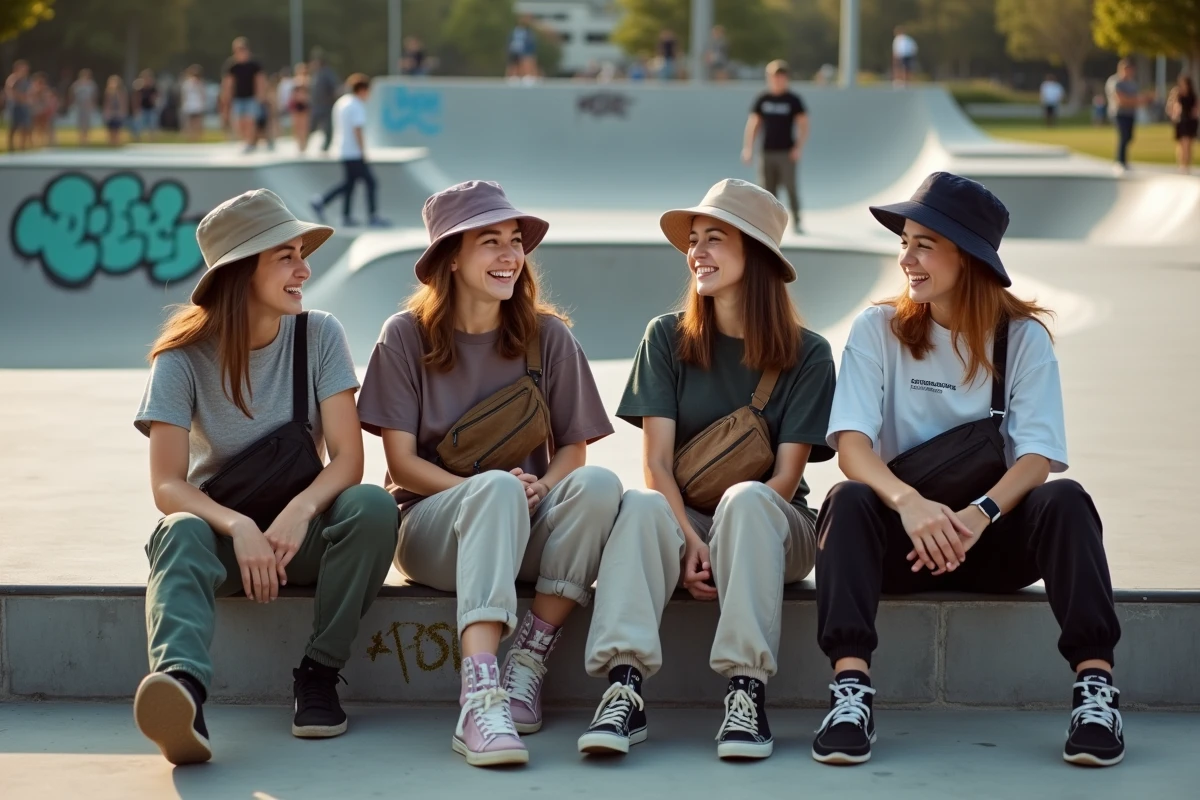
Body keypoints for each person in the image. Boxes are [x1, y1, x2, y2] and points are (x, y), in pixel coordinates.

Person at [812, 172, 1124, 768]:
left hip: (989, 540)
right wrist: (910, 505)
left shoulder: (1023, 339)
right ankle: (850, 691)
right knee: (847, 500)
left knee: (1067, 500)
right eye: (904, 241)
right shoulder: (877, 329)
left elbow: (1036, 456)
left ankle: (1095, 690)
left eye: (924, 244)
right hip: (899, 543)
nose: (907, 258)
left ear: (969, 256)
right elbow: (852, 445)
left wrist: (978, 516)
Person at [357, 180, 670, 767]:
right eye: (489, 242)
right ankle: (479, 695)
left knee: (601, 485)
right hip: (432, 531)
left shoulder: (547, 336)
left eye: (515, 241)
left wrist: (543, 487)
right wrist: (488, 490)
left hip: (523, 521)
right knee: (499, 487)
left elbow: (574, 451)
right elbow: (401, 464)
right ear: (450, 257)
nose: (509, 255)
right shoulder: (405, 336)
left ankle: (528, 656)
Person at [131, 188, 398, 766]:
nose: (305, 270)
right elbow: (168, 485)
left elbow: (350, 462)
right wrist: (240, 527)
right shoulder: (179, 360)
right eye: (286, 257)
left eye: (303, 253)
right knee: (178, 530)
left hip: (302, 540)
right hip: (223, 544)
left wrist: (298, 513)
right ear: (239, 272)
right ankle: (182, 692)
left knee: (373, 507)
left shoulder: (320, 333)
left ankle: (319, 675)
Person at [612, 179, 836, 760]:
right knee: (635, 505)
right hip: (682, 516)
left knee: (747, 498)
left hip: (774, 524)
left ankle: (746, 690)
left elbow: (786, 477)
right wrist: (689, 539)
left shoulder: (808, 353)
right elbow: (656, 465)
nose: (697, 252)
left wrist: (723, 544)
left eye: (715, 238)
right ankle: (623, 688)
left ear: (755, 256)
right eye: (693, 240)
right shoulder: (665, 336)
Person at [311, 75, 388, 228]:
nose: (368, 96)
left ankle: (345, 216)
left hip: (342, 150)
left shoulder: (342, 103)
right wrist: (363, 151)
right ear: (362, 90)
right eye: (368, 91)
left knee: (349, 184)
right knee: (371, 182)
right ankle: (372, 216)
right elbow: (357, 129)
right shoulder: (356, 105)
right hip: (354, 152)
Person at [743, 60, 809, 234]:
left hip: (786, 152)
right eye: (774, 76)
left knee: (790, 187)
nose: (777, 80)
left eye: (781, 76)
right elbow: (754, 123)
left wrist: (798, 147)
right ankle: (768, 224)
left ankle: (797, 221)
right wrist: (748, 147)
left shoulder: (793, 100)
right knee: (767, 191)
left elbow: (803, 125)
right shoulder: (763, 98)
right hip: (766, 151)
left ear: (786, 78)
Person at [222, 37, 267, 153]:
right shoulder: (232, 66)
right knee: (240, 122)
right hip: (238, 98)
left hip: (251, 97)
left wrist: (260, 96)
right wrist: (226, 98)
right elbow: (228, 83)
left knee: (250, 120)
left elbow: (260, 80)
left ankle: (250, 142)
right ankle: (245, 141)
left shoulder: (254, 65)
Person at [1106, 59, 1146, 171]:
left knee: (1129, 137)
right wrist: (1134, 101)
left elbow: (1137, 99)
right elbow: (1121, 100)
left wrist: (1134, 101)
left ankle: (1122, 160)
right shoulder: (1115, 82)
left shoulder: (1132, 83)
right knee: (1123, 136)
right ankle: (1120, 161)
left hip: (1130, 113)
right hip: (1119, 113)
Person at [309, 49, 340, 154]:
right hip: (317, 105)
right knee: (312, 126)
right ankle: (305, 144)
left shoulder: (327, 73)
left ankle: (326, 147)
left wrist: (332, 100)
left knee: (327, 128)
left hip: (326, 105)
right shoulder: (317, 74)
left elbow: (334, 88)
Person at [1167, 75, 1198, 174]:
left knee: (1188, 144)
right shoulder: (1177, 94)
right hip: (1181, 121)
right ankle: (1182, 164)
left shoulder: (1192, 95)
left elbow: (1196, 107)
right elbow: (1171, 107)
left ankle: (1187, 165)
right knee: (1182, 144)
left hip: (1190, 121)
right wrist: (1173, 115)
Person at [5, 60, 33, 151]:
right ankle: (11, 147)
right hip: (15, 106)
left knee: (25, 126)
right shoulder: (14, 78)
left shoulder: (26, 80)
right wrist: (20, 97)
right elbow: (10, 90)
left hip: (23, 106)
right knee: (13, 126)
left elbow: (29, 92)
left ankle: (22, 147)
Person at [70, 69, 99, 145]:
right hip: (79, 107)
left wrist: (92, 105)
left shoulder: (91, 85)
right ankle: (80, 139)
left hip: (88, 107)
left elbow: (94, 96)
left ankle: (86, 139)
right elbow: (72, 94)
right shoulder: (77, 84)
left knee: (87, 123)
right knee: (80, 122)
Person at [507, 16, 539, 83]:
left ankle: (527, 76)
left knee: (526, 63)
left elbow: (531, 42)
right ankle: (512, 77)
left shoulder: (528, 32)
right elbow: (510, 41)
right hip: (514, 50)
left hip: (525, 51)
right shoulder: (514, 31)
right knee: (514, 64)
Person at [289, 62, 312, 154]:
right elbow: (293, 94)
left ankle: (304, 144)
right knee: (297, 125)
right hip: (297, 105)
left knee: (304, 125)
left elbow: (309, 94)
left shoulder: (308, 81)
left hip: (305, 105)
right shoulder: (295, 81)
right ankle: (299, 144)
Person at [29, 72, 57, 147]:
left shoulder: (45, 90)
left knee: (45, 127)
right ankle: (33, 142)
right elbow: (31, 100)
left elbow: (48, 100)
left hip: (43, 111)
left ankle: (45, 142)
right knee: (34, 127)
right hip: (35, 112)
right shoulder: (32, 90)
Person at [180, 66, 207, 142]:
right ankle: (191, 137)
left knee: (196, 122)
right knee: (191, 122)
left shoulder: (200, 84)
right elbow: (184, 95)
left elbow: (203, 94)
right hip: (190, 105)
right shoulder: (187, 83)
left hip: (197, 105)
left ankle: (196, 137)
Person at [132, 69, 159, 141]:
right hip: (142, 108)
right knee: (138, 124)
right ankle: (137, 138)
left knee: (152, 124)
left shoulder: (153, 88)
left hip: (151, 108)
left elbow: (156, 98)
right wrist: (136, 108)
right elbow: (136, 98)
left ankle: (151, 138)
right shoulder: (140, 88)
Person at [103, 75, 128, 146]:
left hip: (118, 113)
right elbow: (107, 103)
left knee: (117, 129)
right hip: (111, 113)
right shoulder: (108, 92)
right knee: (110, 129)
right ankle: (111, 143)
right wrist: (106, 112)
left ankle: (117, 143)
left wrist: (123, 112)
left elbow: (123, 103)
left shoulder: (122, 92)